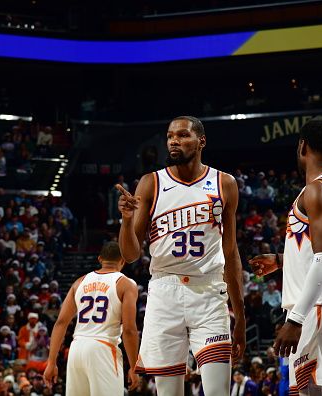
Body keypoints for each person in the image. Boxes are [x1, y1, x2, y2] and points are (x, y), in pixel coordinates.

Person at [116, 116, 246, 396]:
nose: (174, 140)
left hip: (209, 292)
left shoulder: (225, 183)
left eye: (183, 135)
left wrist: (241, 315)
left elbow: (231, 252)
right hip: (165, 291)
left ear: (201, 141)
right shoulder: (151, 183)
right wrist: (126, 221)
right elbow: (129, 255)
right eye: (170, 136)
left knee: (218, 391)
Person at [249, 118, 322, 395]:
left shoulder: (317, 190)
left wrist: (294, 320)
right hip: (320, 307)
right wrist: (285, 260)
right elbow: (319, 252)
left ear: (302, 146)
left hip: (318, 309)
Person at [43, 241, 139, 395]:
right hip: (103, 348)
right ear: (123, 260)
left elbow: (61, 322)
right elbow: (129, 330)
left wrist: (51, 362)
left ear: (100, 259)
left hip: (76, 349)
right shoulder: (126, 284)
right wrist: (134, 367)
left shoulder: (79, 282)